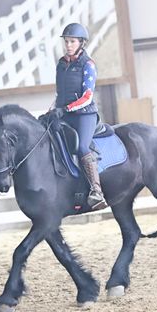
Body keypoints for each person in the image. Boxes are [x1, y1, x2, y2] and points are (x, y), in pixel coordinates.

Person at [52, 23, 107, 211]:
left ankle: (96, 190)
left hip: (85, 114)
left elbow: (87, 97)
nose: (68, 45)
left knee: (82, 146)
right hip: (64, 112)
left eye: (72, 41)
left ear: (81, 43)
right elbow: (59, 93)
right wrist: (52, 109)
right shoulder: (61, 64)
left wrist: (66, 108)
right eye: (66, 41)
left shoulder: (88, 65)